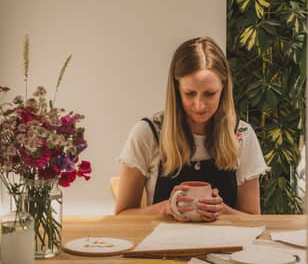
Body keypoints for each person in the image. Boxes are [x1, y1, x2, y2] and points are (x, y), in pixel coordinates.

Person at [115, 37, 269, 221]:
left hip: (225, 248)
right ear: (177, 89)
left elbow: (254, 220)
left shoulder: (242, 135)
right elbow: (122, 216)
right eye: (189, 94)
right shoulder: (148, 133)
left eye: (210, 94)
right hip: (161, 247)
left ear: (224, 87)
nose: (199, 105)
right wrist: (165, 208)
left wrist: (223, 210)